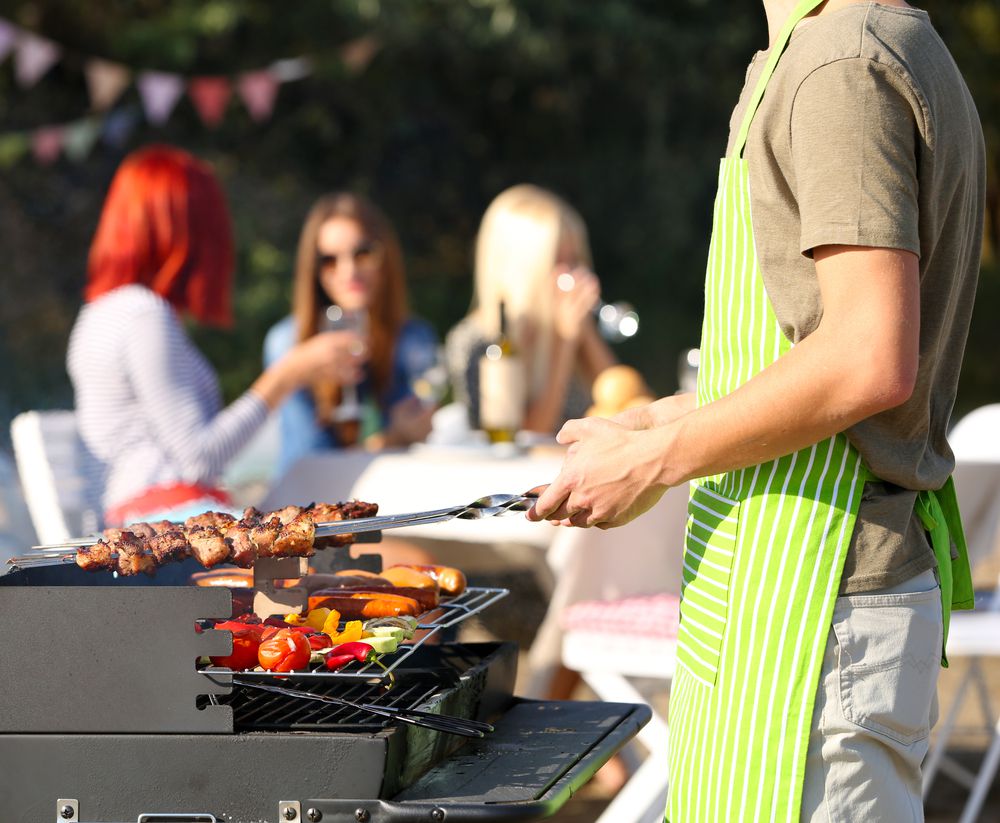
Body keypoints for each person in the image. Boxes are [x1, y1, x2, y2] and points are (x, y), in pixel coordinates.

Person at [528, 1, 985, 820]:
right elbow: (797, 355)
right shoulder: (830, 47)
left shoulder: (842, 65)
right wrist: (660, 421)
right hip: (772, 593)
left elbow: (867, 356)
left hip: (818, 606)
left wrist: (653, 462)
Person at [68, 145, 362, 526]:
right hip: (167, 520)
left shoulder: (99, 313)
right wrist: (288, 374)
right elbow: (198, 458)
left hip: (142, 518)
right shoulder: (145, 316)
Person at [264, 193, 437, 476]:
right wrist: (391, 438)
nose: (349, 271)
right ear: (314, 270)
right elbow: (311, 466)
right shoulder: (289, 343)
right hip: (308, 509)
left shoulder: (413, 338)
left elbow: (424, 438)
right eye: (329, 260)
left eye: (363, 253)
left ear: (386, 256)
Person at [445, 184, 617, 435]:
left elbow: (628, 402)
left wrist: (586, 335)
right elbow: (524, 437)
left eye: (575, 260)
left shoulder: (574, 327)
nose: (570, 274)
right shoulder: (478, 342)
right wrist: (565, 342)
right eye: (557, 261)